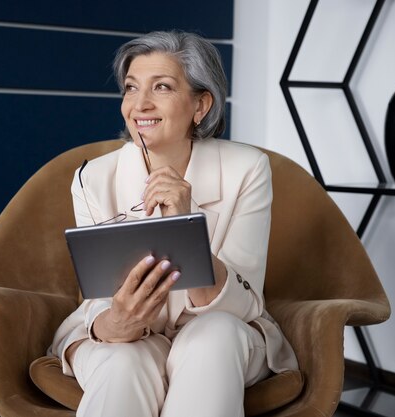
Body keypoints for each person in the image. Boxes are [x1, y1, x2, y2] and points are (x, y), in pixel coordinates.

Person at [49, 30, 298, 417]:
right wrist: (115, 323)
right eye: (131, 89)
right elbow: (98, 295)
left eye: (161, 87)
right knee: (122, 362)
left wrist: (186, 223)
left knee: (212, 338)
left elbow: (244, 303)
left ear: (200, 105)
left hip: (222, 329)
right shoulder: (92, 178)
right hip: (129, 335)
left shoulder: (247, 169)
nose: (139, 104)